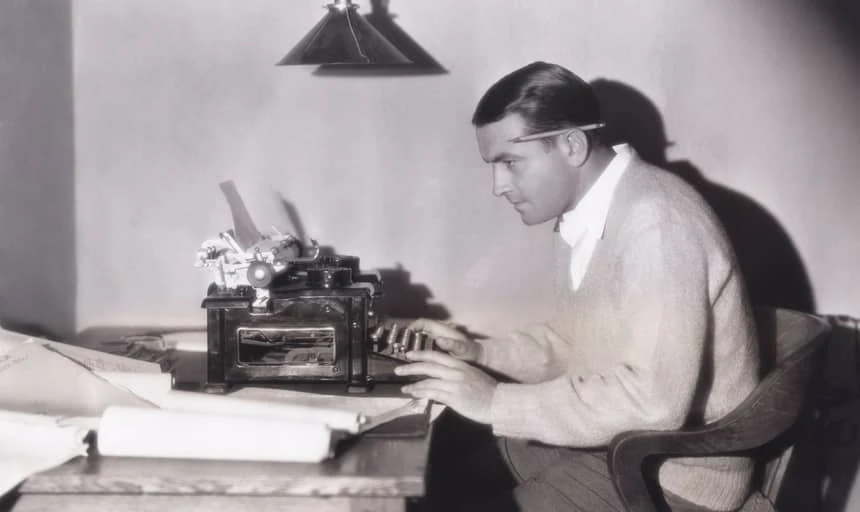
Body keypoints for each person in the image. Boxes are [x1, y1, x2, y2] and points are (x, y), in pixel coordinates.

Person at [395, 61, 761, 512]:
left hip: (672, 479)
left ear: (571, 145)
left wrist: (493, 401)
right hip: (618, 451)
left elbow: (652, 404)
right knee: (436, 470)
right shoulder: (589, 215)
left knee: (436, 496)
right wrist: (480, 354)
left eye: (510, 162)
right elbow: (574, 344)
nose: (498, 186)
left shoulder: (658, 222)